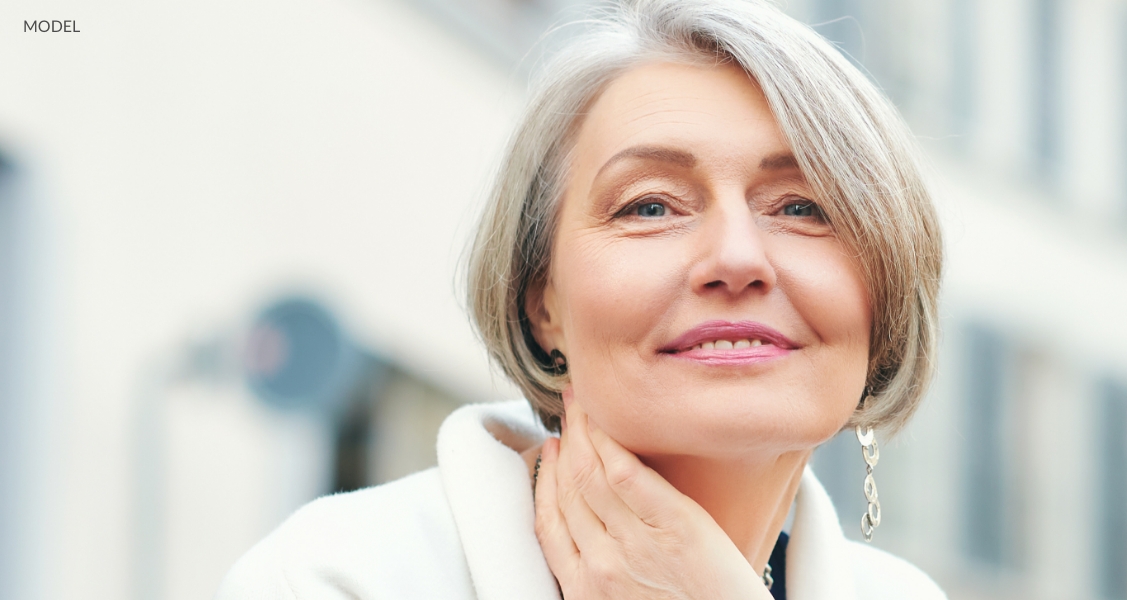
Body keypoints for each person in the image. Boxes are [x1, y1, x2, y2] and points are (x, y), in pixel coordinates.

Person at [216, 0, 944, 598]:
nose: (736, 258)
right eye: (650, 206)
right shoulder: (336, 577)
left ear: (885, 294)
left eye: (803, 207)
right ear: (542, 305)